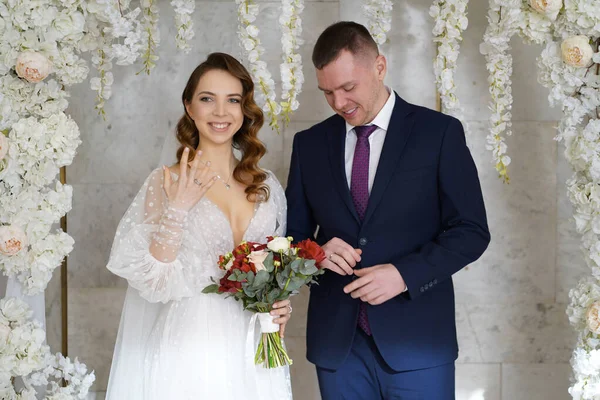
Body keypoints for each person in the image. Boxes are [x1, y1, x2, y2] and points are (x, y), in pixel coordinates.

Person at [286, 22, 491, 399]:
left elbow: (471, 230)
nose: (339, 103)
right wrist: (315, 253)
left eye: (348, 88)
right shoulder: (309, 145)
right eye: (327, 92)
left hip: (419, 343)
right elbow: (292, 237)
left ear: (379, 66)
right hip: (338, 348)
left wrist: (403, 274)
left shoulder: (439, 133)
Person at [105, 52, 293, 400]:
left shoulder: (267, 184)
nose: (221, 112)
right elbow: (152, 283)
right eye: (208, 99)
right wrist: (178, 207)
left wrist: (281, 305)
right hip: (191, 344)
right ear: (190, 107)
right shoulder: (165, 181)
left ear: (244, 109)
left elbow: (276, 270)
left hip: (256, 344)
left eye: (232, 100)